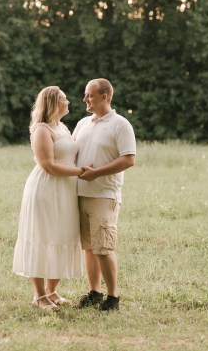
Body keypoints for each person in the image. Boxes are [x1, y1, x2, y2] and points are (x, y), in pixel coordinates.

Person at [12, 86, 89, 311]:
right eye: (65, 99)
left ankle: (52, 290)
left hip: (66, 190)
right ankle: (39, 295)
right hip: (46, 188)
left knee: (62, 234)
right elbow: (48, 165)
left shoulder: (62, 127)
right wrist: (81, 172)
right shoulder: (41, 129)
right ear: (54, 102)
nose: (69, 102)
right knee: (42, 235)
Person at [73, 78, 136, 311]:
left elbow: (128, 159)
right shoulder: (82, 123)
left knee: (104, 247)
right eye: (85, 94)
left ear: (104, 96)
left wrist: (96, 173)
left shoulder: (121, 125)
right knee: (89, 247)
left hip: (104, 195)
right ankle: (94, 292)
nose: (85, 99)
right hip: (80, 193)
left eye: (89, 95)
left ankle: (113, 297)